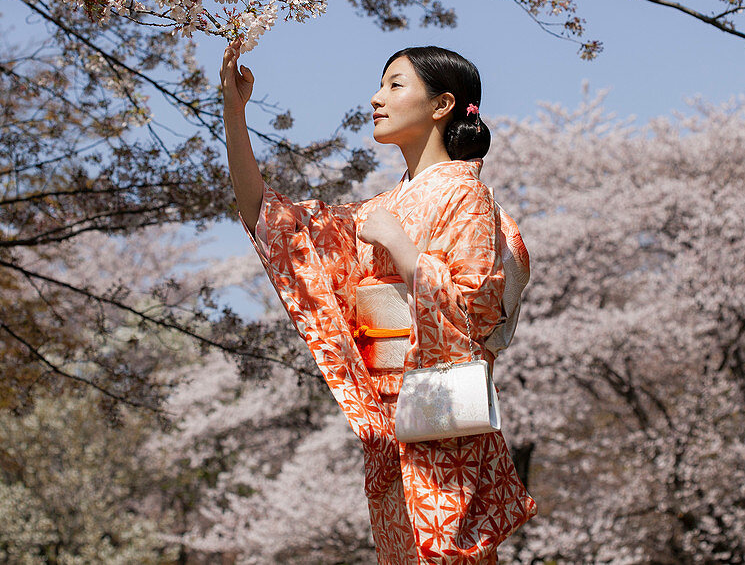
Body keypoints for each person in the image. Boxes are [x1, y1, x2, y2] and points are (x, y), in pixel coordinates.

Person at [220, 39, 537, 564]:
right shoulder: (380, 207)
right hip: (388, 424)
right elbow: (273, 222)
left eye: (395, 85)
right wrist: (235, 112)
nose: (376, 98)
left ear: (443, 105)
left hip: (442, 417)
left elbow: (474, 315)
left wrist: (404, 250)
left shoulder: (465, 194)